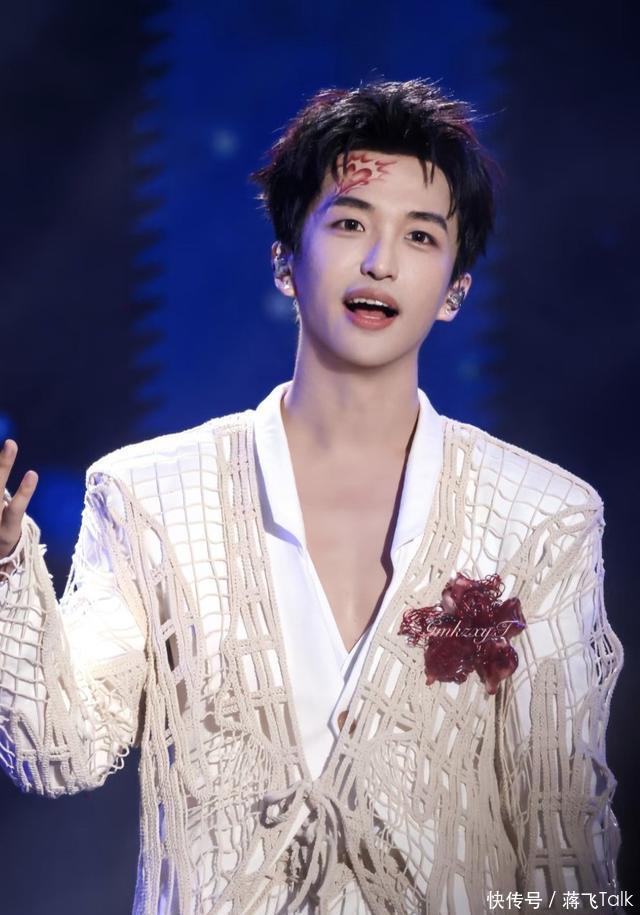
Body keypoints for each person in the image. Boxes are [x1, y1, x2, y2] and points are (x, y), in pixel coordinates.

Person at [0, 78, 624, 915]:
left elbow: (562, 833)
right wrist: (6, 567)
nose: (381, 261)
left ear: (455, 290)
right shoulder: (150, 495)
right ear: (285, 260)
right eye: (350, 223)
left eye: (420, 235)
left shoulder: (541, 518)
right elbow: (58, 749)